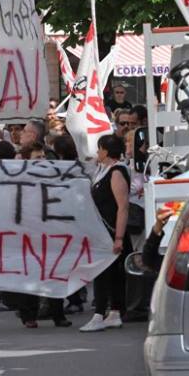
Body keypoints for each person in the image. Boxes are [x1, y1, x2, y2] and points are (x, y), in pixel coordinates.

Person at [80, 134, 131, 332]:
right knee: (111, 274)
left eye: (100, 148)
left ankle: (99, 314)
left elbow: (123, 207)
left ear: (107, 150)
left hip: (111, 231)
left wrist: (118, 237)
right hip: (102, 230)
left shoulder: (117, 172)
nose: (97, 152)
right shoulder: (103, 170)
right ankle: (115, 312)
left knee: (103, 273)